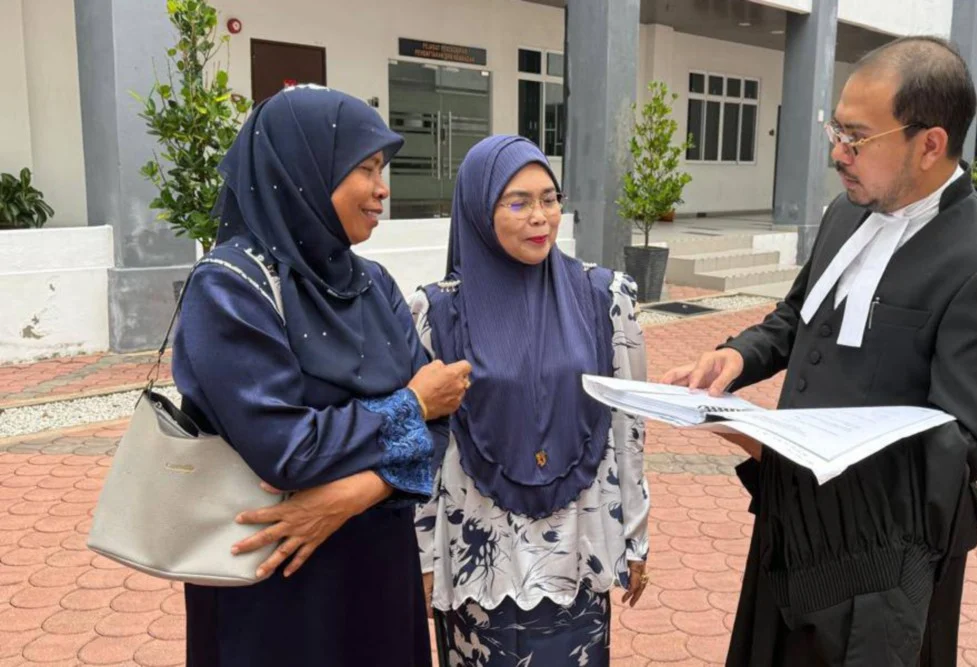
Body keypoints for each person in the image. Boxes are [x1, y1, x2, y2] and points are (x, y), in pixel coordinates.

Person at [662, 37, 977, 666]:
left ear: (929, 143)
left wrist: (782, 443)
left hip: (883, 565)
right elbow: (796, 317)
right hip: (792, 523)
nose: (837, 152)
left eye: (858, 137)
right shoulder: (848, 212)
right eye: (836, 128)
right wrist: (736, 358)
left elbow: (966, 448)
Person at [172, 85, 471, 666]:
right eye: (364, 168)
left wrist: (343, 499)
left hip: (377, 569)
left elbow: (439, 428)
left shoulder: (374, 283)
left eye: (382, 168)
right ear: (301, 169)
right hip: (273, 576)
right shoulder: (230, 286)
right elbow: (289, 449)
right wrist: (410, 405)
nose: (383, 188)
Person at [412, 135, 651, 667]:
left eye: (549, 198)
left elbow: (627, 427)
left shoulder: (604, 299)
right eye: (517, 202)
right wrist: (423, 553)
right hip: (479, 558)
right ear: (478, 209)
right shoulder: (437, 313)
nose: (540, 216)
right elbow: (423, 446)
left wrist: (635, 536)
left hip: (575, 547)